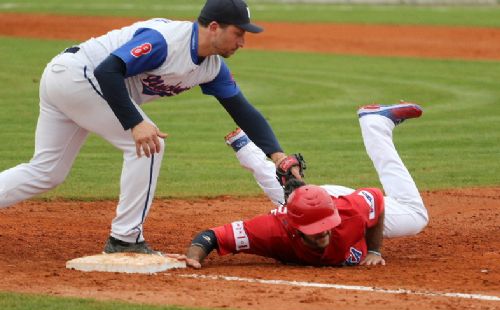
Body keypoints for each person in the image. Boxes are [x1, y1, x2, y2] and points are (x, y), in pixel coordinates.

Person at [0, 0, 302, 255]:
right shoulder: (167, 41)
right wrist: (135, 122)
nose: (242, 42)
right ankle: (124, 239)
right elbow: (108, 70)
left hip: (69, 80)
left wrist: (279, 157)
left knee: (46, 171)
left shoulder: (212, 67)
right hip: (77, 76)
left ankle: (124, 237)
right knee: (148, 143)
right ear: (214, 27)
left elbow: (244, 112)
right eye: (238, 33)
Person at [180, 103, 429, 268]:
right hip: (302, 209)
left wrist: (374, 250)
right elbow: (211, 236)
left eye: (324, 227)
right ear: (295, 227)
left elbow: (375, 198)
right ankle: (248, 149)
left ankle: (375, 124)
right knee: (290, 202)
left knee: (416, 216)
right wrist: (193, 258)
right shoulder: (271, 229)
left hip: (332, 201)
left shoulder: (349, 212)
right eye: (314, 229)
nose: (322, 232)